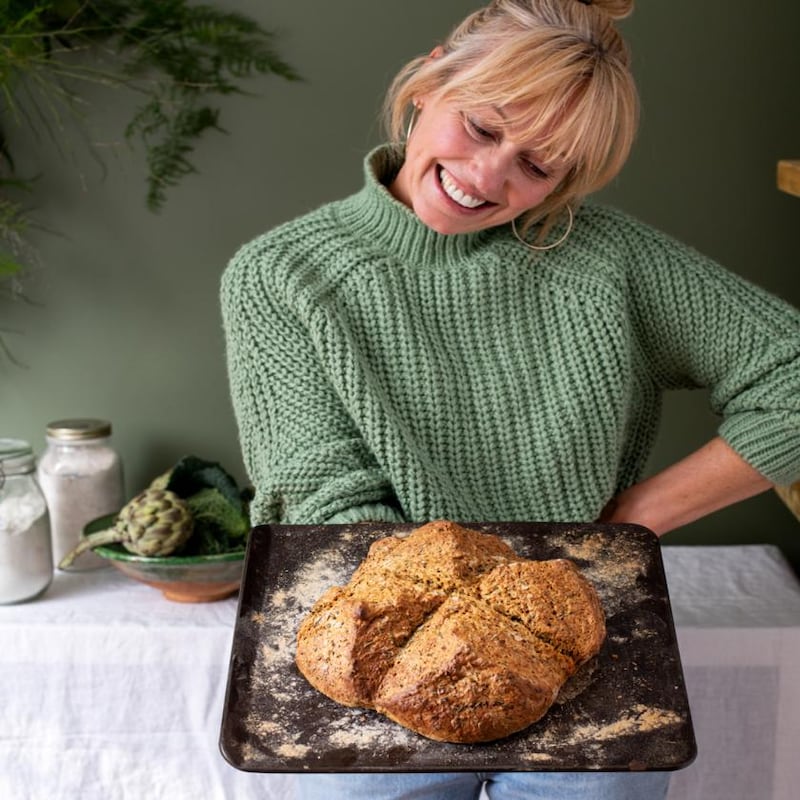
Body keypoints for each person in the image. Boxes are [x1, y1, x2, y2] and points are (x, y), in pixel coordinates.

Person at [221, 1, 800, 798]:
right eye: (484, 128)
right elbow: (322, 498)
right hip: (376, 655)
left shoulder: (607, 261)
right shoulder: (281, 275)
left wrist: (635, 517)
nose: (488, 178)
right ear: (431, 80)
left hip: (582, 648)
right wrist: (451, 643)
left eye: (539, 166)